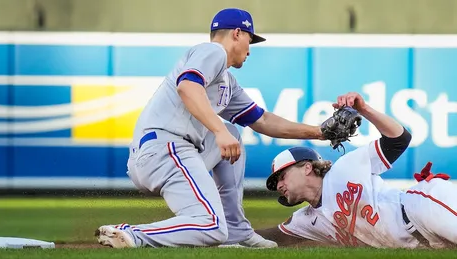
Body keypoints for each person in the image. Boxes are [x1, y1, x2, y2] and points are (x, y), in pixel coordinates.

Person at [95, 7, 324, 248]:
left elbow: (263, 120)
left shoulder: (227, 79)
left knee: (233, 134)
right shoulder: (212, 51)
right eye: (249, 38)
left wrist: (318, 132)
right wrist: (218, 131)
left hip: (169, 153)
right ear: (237, 33)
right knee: (212, 226)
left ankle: (236, 230)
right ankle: (131, 234)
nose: (250, 48)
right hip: (166, 148)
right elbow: (188, 87)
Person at [262, 91, 457, 249]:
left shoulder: (346, 167)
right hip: (422, 245)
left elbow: (399, 140)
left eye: (282, 176)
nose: (278, 185)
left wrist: (364, 109)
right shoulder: (304, 220)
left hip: (422, 208)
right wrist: (232, 232)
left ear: (306, 168)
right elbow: (270, 237)